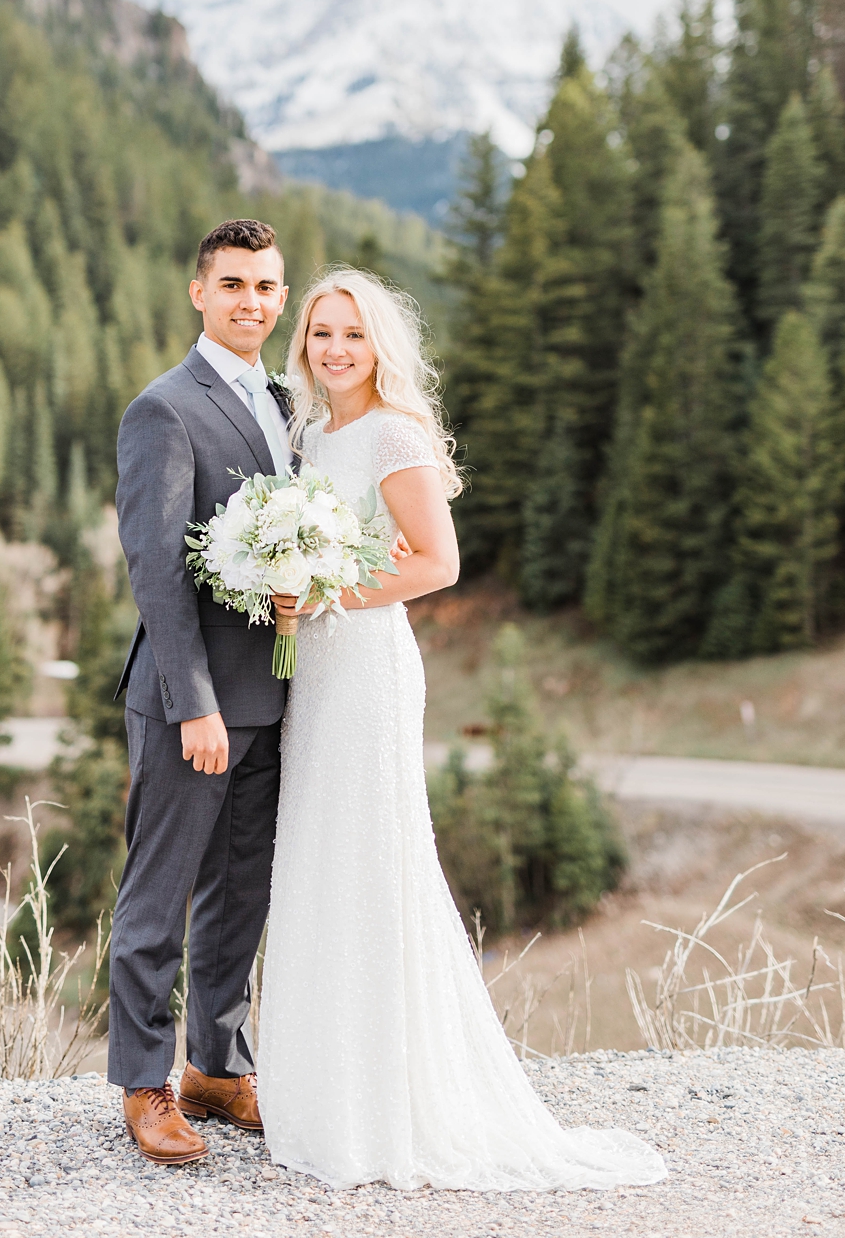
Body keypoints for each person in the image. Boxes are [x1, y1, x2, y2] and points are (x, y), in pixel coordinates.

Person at [258, 268, 667, 1194]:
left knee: (371, 859)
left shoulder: (394, 432)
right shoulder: (310, 429)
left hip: (365, 668)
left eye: (352, 337)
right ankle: (325, 1094)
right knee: (316, 857)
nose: (333, 351)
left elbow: (438, 563)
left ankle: (388, 1109)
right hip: (312, 671)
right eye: (321, 334)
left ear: (381, 347)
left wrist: (328, 589)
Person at [110, 218, 294, 1165]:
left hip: (272, 698)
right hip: (195, 705)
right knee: (162, 893)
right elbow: (156, 568)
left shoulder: (287, 402)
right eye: (232, 285)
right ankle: (144, 1085)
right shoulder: (164, 409)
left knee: (241, 894)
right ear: (199, 293)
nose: (250, 302)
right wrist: (194, 704)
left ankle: (216, 1070)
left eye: (265, 287)